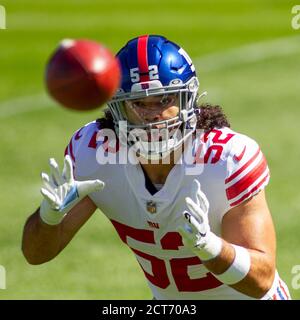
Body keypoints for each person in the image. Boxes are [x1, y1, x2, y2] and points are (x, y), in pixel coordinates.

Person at [22, 35, 291, 300]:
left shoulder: (226, 158)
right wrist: (49, 217)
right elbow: (35, 255)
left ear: (188, 100)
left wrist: (210, 246)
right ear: (117, 108)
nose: (152, 115)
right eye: (138, 103)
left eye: (164, 100)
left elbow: (262, 282)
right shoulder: (94, 153)